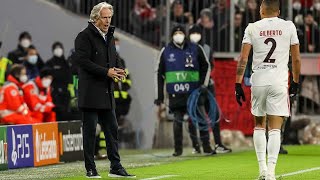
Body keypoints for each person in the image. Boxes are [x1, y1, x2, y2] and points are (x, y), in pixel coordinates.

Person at [235, 1, 301, 179]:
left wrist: (237, 84)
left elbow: (243, 59)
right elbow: (295, 59)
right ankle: (271, 173)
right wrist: (295, 81)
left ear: (261, 11)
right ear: (278, 11)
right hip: (278, 82)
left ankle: (262, 170)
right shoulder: (288, 26)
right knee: (274, 128)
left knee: (258, 125)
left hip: (259, 82)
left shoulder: (252, 28)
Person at [72, 2, 134, 178]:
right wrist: (106, 72)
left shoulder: (110, 35)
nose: (108, 21)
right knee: (90, 132)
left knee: (112, 130)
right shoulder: (83, 36)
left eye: (109, 17)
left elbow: (114, 57)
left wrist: (119, 69)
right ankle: (90, 169)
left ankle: (115, 167)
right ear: (95, 18)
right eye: (104, 17)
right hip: (90, 92)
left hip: (107, 93)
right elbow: (82, 62)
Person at [155, 25, 214, 156]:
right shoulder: (166, 50)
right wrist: (159, 96)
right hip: (176, 93)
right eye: (176, 33)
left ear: (185, 34)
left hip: (194, 92)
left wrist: (203, 85)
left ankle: (207, 147)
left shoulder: (195, 48)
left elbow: (206, 66)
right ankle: (178, 149)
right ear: (172, 35)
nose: (178, 35)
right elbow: (159, 74)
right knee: (177, 120)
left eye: (181, 32)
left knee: (201, 119)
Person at [188, 25, 232, 154]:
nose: (195, 35)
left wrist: (204, 82)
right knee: (194, 117)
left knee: (214, 114)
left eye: (197, 32)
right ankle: (196, 145)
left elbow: (210, 66)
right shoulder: (186, 49)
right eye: (193, 32)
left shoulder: (206, 48)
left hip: (207, 86)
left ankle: (217, 144)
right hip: (193, 87)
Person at [46, 42, 74, 121]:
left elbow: (70, 77)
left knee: (66, 111)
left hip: (65, 91)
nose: (58, 50)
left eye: (60, 48)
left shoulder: (66, 63)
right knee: (57, 111)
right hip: (54, 92)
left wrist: (71, 93)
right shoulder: (50, 63)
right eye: (56, 48)